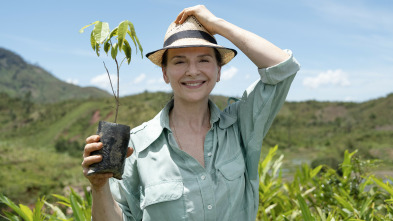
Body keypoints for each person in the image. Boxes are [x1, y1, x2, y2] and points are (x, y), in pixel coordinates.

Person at [82, 5, 300, 221]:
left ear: (219, 71)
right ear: (165, 73)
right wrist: (99, 187)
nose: (193, 71)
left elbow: (282, 67)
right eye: (179, 61)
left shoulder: (240, 125)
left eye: (204, 59)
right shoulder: (136, 147)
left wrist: (218, 24)